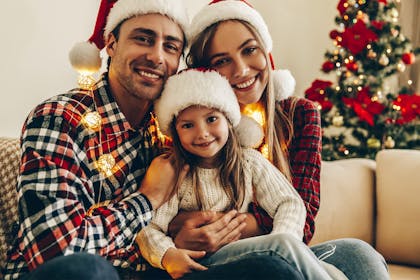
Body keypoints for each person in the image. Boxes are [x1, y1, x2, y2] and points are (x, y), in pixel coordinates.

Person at [2, 0, 305, 279]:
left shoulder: (173, 127)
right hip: (79, 274)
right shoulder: (60, 119)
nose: (157, 56)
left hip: (158, 272)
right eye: (143, 39)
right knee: (89, 270)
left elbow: (189, 209)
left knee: (274, 268)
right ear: (111, 43)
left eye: (171, 46)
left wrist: (178, 233)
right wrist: (146, 200)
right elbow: (55, 252)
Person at [166, 0, 390, 279]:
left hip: (284, 246)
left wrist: (215, 224)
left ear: (265, 50)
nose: (242, 70)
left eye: (249, 50)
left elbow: (303, 219)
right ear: (205, 72)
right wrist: (177, 228)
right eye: (222, 60)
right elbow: (167, 216)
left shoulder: (299, 114)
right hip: (218, 261)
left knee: (358, 253)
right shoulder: (198, 129)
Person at [137, 68, 342, 279]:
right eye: (188, 125)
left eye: (211, 119)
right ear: (175, 132)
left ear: (228, 119)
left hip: (249, 257)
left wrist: (284, 239)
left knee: (339, 261)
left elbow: (289, 203)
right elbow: (149, 228)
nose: (202, 133)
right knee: (292, 252)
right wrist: (167, 254)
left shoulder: (249, 161)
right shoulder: (176, 173)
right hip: (202, 261)